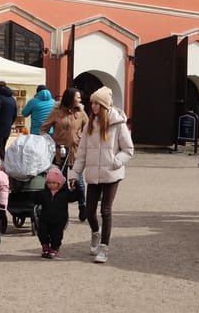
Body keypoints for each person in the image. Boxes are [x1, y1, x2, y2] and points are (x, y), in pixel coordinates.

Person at [71, 86, 134, 264]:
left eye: (96, 103)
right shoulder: (89, 125)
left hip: (111, 173)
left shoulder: (118, 124)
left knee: (106, 210)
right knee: (89, 211)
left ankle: (104, 248)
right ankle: (95, 233)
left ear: (104, 105)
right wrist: (75, 173)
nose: (93, 106)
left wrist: (115, 161)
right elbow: (82, 152)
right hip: (93, 174)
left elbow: (128, 149)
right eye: (92, 103)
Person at [40, 87, 89, 220]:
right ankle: (61, 208)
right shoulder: (56, 112)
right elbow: (44, 128)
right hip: (59, 152)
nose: (80, 99)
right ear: (70, 98)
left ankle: (82, 206)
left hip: (76, 151)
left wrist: (83, 139)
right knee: (61, 181)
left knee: (78, 182)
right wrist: (48, 143)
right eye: (77, 97)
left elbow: (89, 129)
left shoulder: (81, 112)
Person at [35, 166, 80, 258]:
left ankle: (54, 248)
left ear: (59, 183)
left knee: (57, 235)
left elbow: (73, 198)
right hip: (45, 218)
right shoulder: (44, 193)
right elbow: (37, 200)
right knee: (41, 232)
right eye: (49, 183)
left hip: (59, 219)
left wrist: (76, 189)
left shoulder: (65, 193)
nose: (51, 185)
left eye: (54, 183)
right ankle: (45, 246)